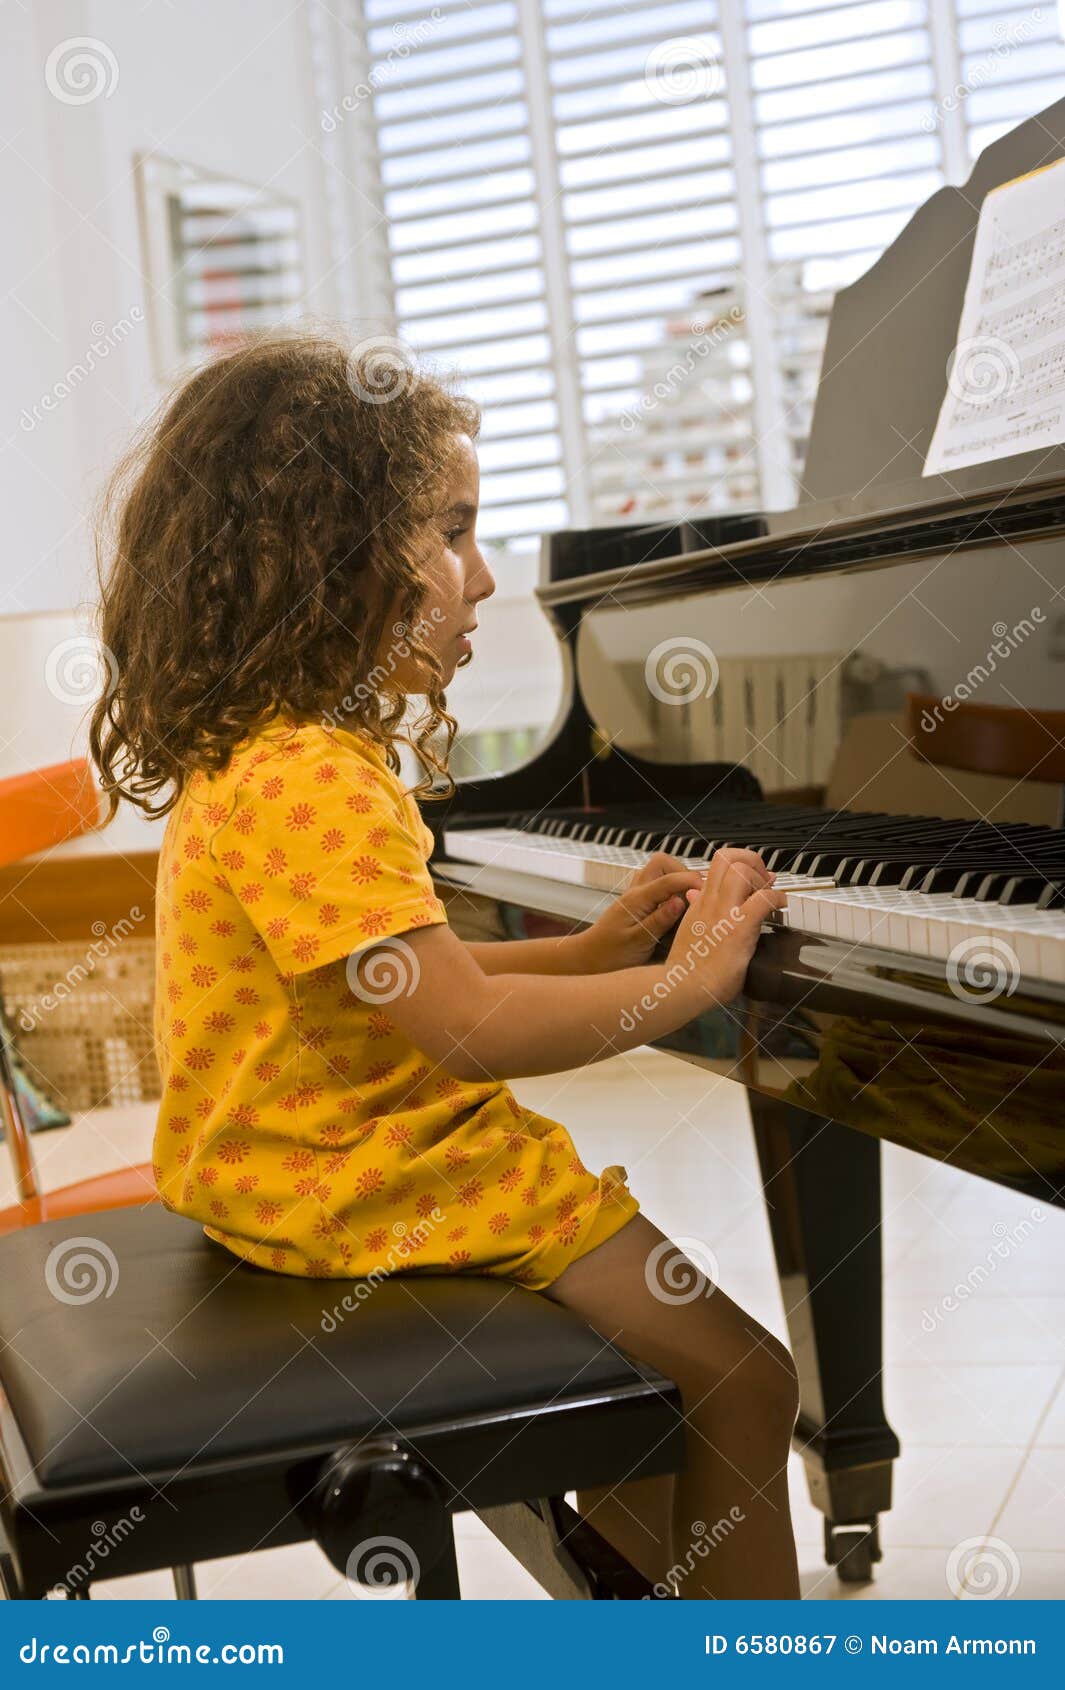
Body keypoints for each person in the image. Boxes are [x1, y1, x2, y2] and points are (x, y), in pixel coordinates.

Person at [89, 332, 800, 1598]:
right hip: (363, 1179)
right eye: (454, 535)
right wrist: (685, 985)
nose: (482, 580)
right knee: (747, 1375)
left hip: (274, 1167)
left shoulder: (263, 752)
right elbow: (463, 1032)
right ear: (330, 557)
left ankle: (641, 1608)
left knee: (660, 1383)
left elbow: (403, 987)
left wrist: (592, 950)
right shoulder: (318, 777)